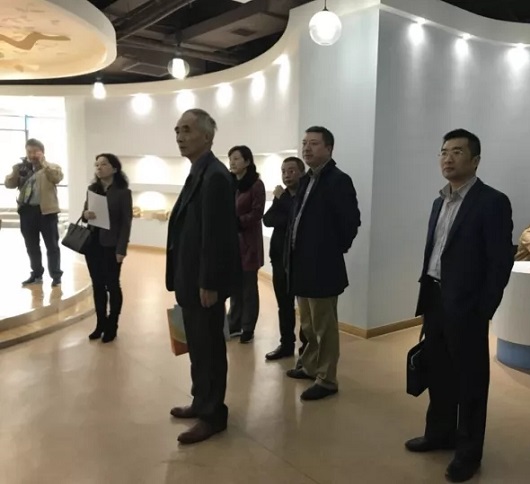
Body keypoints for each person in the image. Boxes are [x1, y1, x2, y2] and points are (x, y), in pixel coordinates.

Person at [405, 129, 513, 483]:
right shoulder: (439, 202)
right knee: (439, 372)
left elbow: (499, 262)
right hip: (435, 299)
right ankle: (439, 434)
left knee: (470, 382)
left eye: (457, 152)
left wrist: (483, 310)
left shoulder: (492, 202)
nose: (447, 158)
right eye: (443, 152)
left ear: (475, 160)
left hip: (467, 308)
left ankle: (468, 453)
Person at [166, 109, 241, 445]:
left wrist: (209, 282)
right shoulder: (199, 172)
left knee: (209, 347)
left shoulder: (216, 177)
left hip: (203, 283)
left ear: (208, 137)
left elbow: (218, 236)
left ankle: (213, 415)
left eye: (187, 130)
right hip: (189, 277)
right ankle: (200, 400)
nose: (180, 136)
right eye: (177, 130)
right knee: (196, 344)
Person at [285, 126, 361, 401]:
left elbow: (351, 222)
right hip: (301, 265)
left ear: (329, 148)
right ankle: (310, 366)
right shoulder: (306, 179)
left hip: (323, 266)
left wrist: (330, 251)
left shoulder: (338, 180)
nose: (307, 148)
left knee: (324, 326)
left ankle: (327, 379)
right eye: (305, 143)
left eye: (314, 143)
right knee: (307, 323)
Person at [82, 154, 132, 343]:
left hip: (111, 245)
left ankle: (112, 324)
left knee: (112, 285)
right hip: (92, 244)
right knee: (97, 285)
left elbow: (126, 223)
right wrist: (85, 214)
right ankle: (100, 323)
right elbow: (85, 213)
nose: (99, 167)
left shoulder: (123, 193)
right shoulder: (92, 189)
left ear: (114, 169)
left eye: (103, 164)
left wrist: (121, 249)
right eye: (97, 164)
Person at [264, 156, 308, 361]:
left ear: (301, 172)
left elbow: (297, 217)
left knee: (305, 307)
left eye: (291, 171)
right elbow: (268, 219)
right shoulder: (282, 197)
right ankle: (286, 344)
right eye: (283, 171)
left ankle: (307, 347)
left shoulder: (305, 195)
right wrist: (283, 207)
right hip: (279, 259)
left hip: (300, 260)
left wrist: (282, 200)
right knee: (284, 304)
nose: (286, 175)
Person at [4, 138, 63, 286]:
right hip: (27, 211)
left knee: (52, 246)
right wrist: (15, 171)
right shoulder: (22, 168)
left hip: (47, 212)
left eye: (35, 151)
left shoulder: (52, 167)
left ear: (42, 152)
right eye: (29, 151)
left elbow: (57, 178)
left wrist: (44, 164)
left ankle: (56, 276)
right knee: (31, 246)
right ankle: (36, 274)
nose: (32, 155)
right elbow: (9, 184)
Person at [227, 145, 266, 344]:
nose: (232, 162)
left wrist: (237, 222)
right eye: (230, 159)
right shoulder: (230, 182)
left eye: (236, 158)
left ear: (247, 161)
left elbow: (257, 213)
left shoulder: (256, 185)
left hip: (249, 243)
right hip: (232, 243)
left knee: (249, 288)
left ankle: (248, 327)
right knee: (234, 286)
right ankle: (233, 324)